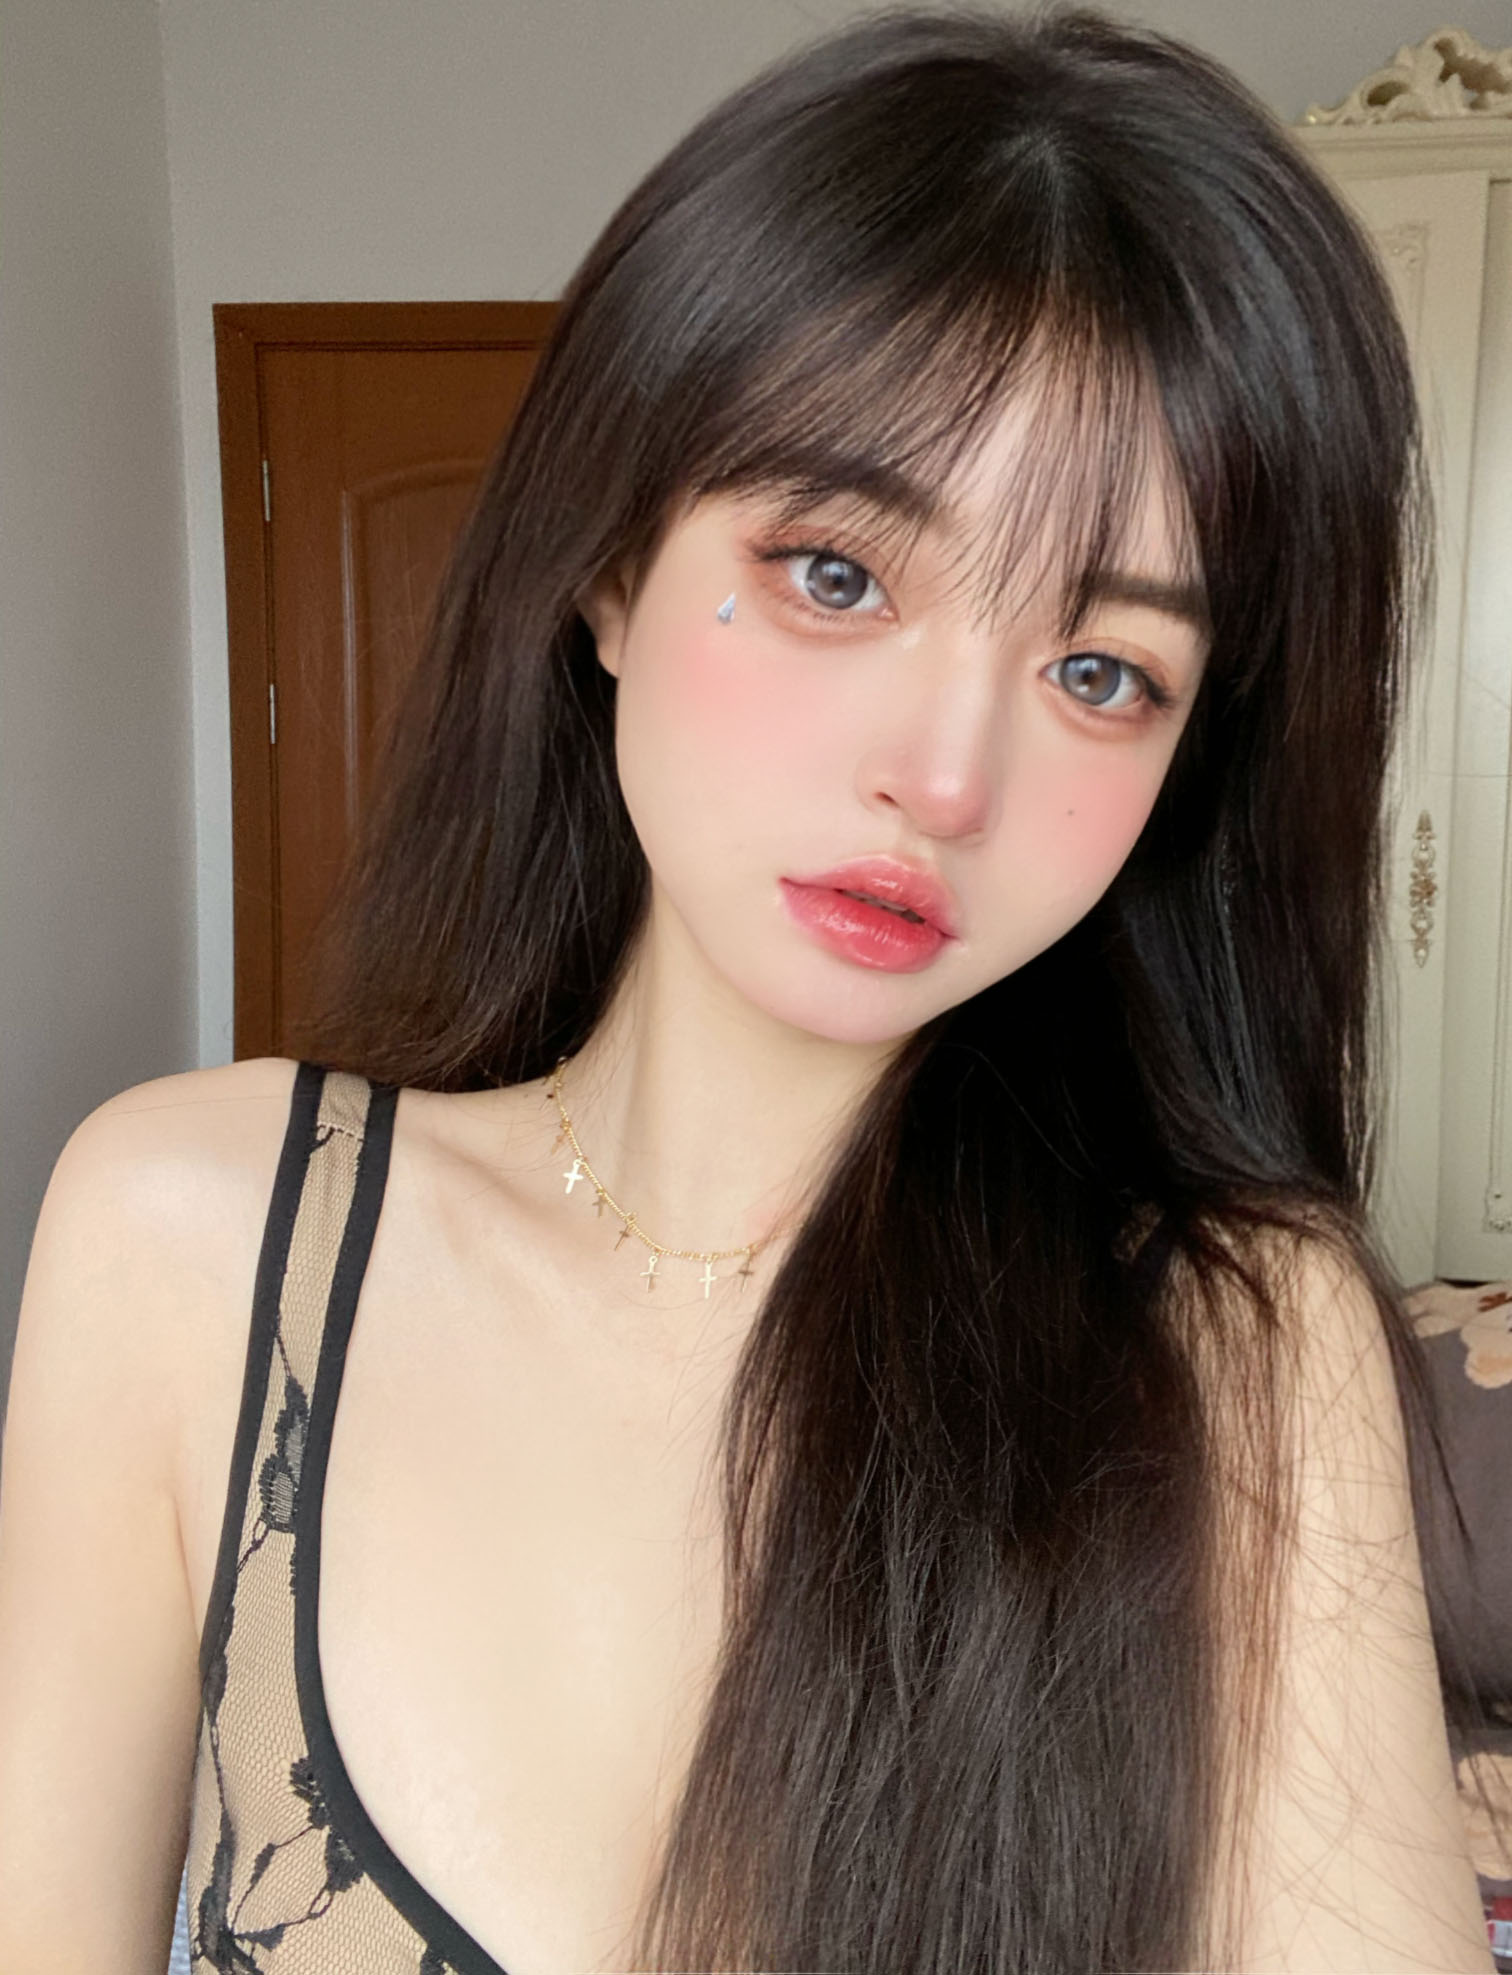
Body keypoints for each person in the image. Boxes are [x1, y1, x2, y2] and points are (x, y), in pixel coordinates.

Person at [0, 6, 1503, 1971]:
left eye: (1100, 672)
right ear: (611, 567)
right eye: (837, 574)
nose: (945, 780)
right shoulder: (192, 1240)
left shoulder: (1234, 1341)